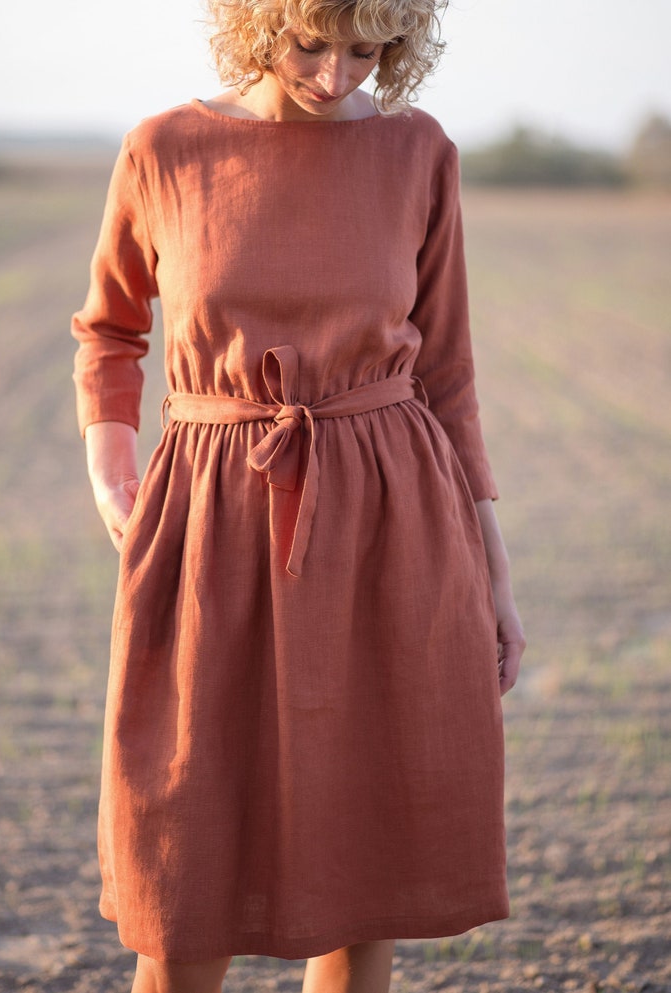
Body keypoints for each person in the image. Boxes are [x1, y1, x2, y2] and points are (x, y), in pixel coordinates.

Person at [71, 0, 526, 990]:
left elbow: (445, 373)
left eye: (365, 51)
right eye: (308, 44)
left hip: (389, 522)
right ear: (255, 26)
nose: (334, 76)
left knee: (362, 863)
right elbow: (108, 332)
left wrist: (493, 573)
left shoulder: (417, 153)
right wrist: (113, 472)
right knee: (186, 861)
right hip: (207, 520)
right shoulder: (164, 148)